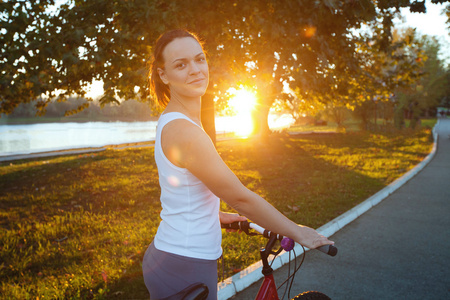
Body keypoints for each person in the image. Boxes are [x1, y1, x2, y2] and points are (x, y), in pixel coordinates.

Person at [142, 29, 334, 300]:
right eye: (181, 64)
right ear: (163, 75)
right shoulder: (186, 132)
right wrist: (298, 231)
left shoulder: (174, 119)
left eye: (200, 59)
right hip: (186, 265)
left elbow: (181, 189)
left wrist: (214, 216)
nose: (196, 70)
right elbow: (240, 198)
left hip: (169, 255)